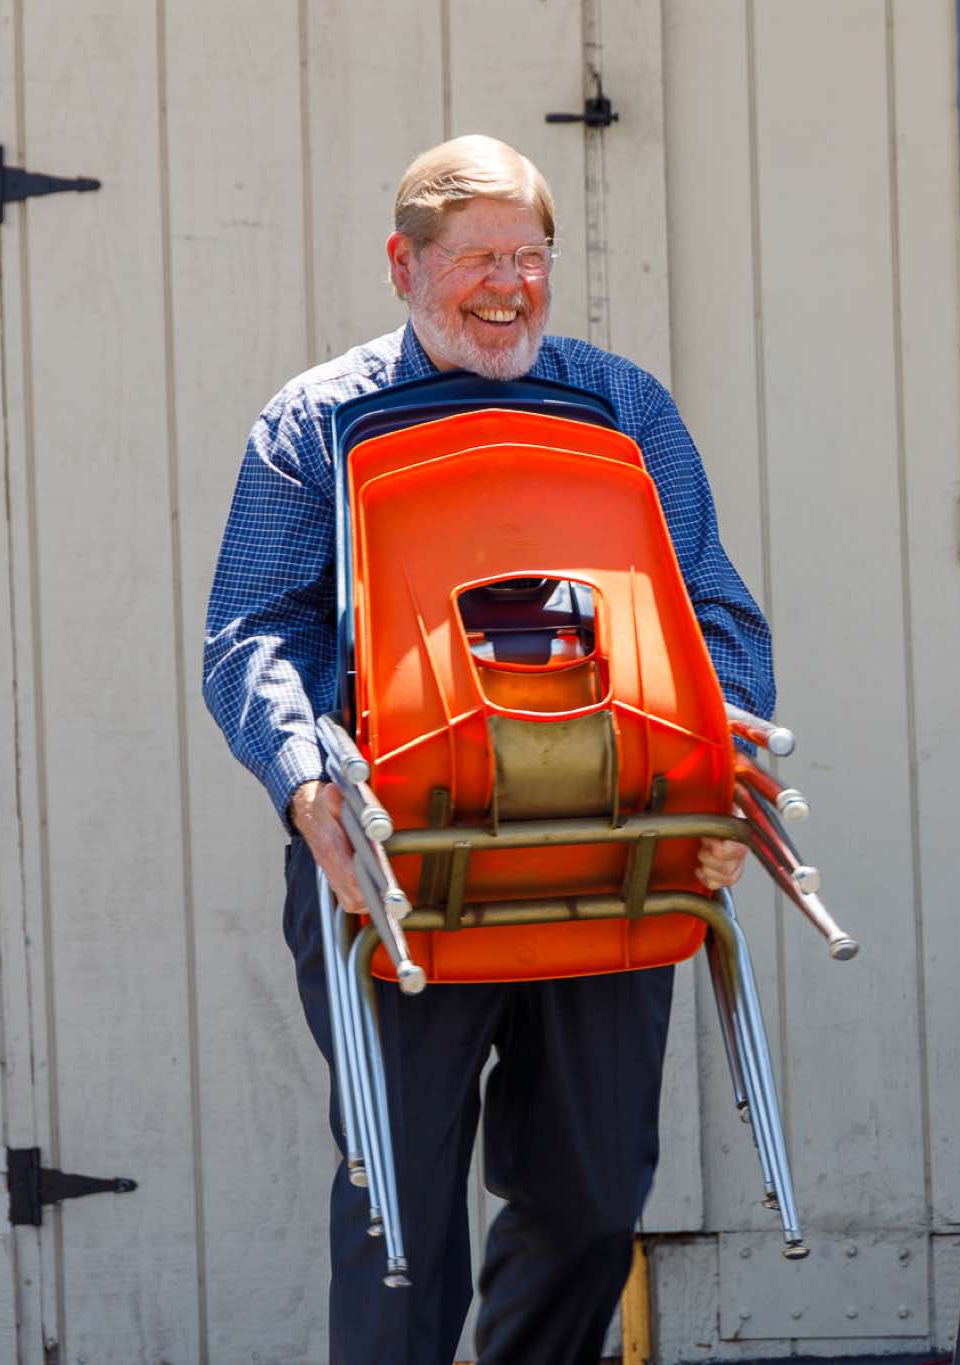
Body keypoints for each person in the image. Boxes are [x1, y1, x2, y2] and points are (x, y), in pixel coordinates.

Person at [203, 134, 775, 1364]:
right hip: (393, 857)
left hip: (612, 849)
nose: (509, 286)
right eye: (477, 259)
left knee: (591, 1199)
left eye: (531, 255)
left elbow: (711, 609)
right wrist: (304, 784)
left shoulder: (621, 406)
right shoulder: (318, 421)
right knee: (400, 1217)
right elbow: (253, 631)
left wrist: (720, 768)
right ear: (403, 265)